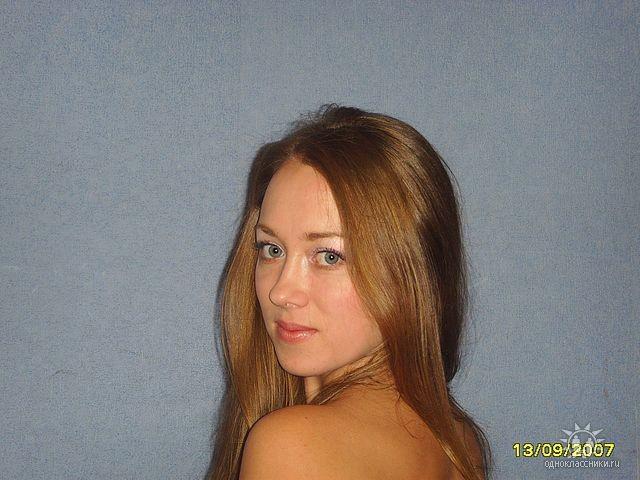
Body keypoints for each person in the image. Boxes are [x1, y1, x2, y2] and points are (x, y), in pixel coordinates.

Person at [206, 104, 492, 480]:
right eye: (272, 249)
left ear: (410, 274)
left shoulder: (292, 444)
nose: (281, 291)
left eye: (329, 256)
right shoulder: (457, 441)